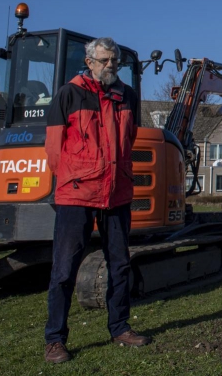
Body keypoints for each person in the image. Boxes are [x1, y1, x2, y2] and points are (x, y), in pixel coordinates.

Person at [42, 37, 150, 364]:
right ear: (89, 62)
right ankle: (55, 340)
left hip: (116, 194)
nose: (111, 65)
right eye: (105, 60)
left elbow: (129, 139)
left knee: (120, 265)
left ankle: (120, 328)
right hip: (77, 194)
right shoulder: (69, 94)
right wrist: (76, 178)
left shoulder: (127, 96)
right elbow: (54, 149)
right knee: (64, 269)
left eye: (114, 60)